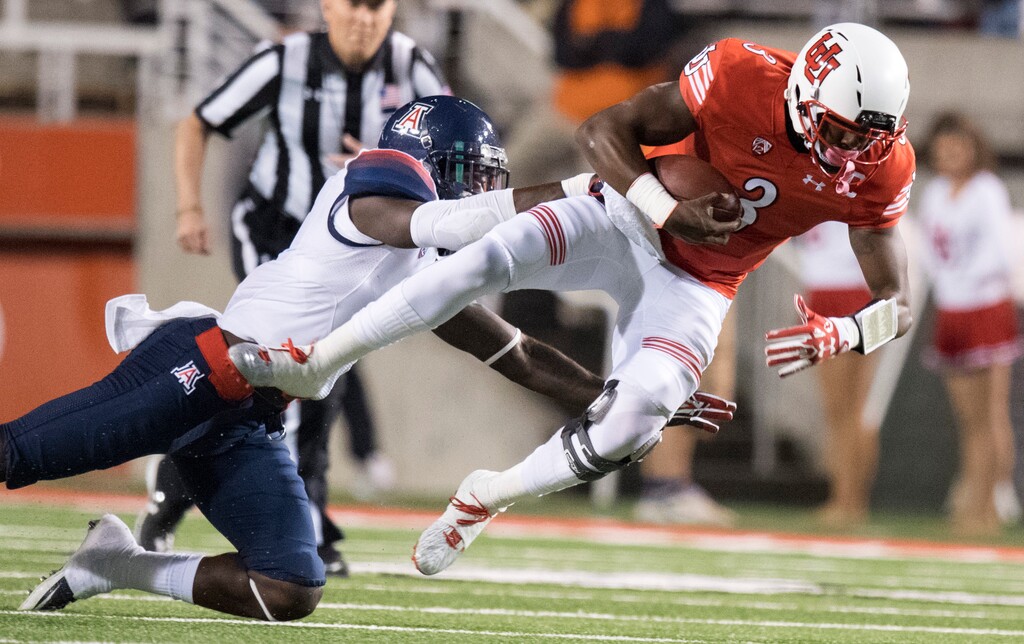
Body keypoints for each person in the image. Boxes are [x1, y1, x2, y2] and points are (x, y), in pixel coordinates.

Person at [7, 97, 743, 620]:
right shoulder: (373, 181)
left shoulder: (426, 266)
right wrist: (583, 187)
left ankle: (115, 562)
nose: (487, 187)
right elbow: (435, 220)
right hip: (204, 365)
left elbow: (516, 354)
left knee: (287, 586)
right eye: (478, 171)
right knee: (18, 455)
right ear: (437, 161)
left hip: (251, 414)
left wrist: (624, 397)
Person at [229, 22, 917, 575]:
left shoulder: (882, 167)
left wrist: (846, 333)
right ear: (804, 94)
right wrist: (665, 209)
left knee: (634, 426)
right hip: (624, 217)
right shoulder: (740, 75)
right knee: (478, 261)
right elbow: (600, 131)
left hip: (701, 283)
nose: (853, 150)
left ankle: (485, 496)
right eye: (840, 130)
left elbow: (898, 300)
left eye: (870, 137)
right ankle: (319, 360)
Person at [140, 0, 450, 574]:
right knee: (283, 370)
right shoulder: (286, 58)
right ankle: (278, 517)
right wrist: (188, 207)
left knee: (316, 376)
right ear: (327, 6)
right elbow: (198, 122)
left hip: (354, 246)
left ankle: (242, 503)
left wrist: (392, 166)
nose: (364, 19)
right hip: (275, 231)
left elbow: (452, 146)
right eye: (353, 4)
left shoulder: (411, 64)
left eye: (377, 6)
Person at [917, 111, 1023, 536]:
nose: (949, 155)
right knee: (967, 420)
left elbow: (999, 253)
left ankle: (992, 503)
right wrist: (947, 285)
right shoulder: (934, 194)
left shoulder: (987, 190)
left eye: (957, 147)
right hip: (952, 308)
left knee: (991, 414)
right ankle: (974, 500)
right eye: (942, 148)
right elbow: (929, 251)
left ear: (974, 149)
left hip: (984, 306)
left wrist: (960, 279)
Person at [791, 221, 880, 528]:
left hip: (848, 293)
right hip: (828, 292)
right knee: (841, 411)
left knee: (847, 410)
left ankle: (848, 500)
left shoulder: (849, 195)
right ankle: (848, 499)